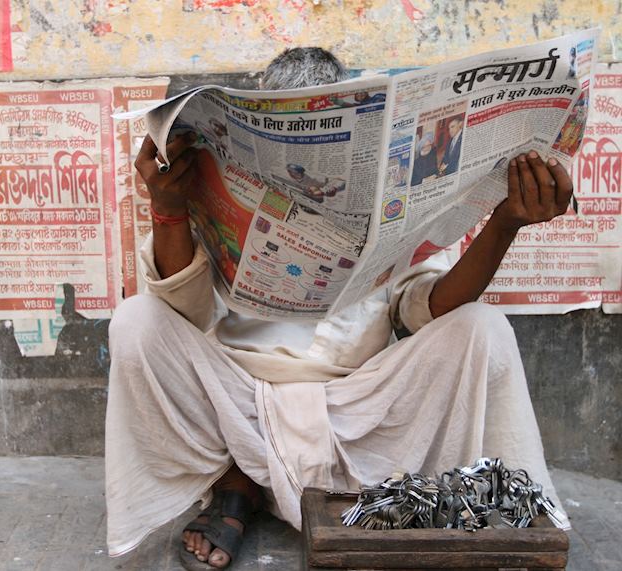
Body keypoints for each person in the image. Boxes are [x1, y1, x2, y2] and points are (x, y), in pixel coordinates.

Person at [106, 47, 574, 570]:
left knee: (483, 328)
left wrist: (504, 222)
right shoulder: (207, 175)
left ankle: (498, 510)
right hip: (236, 401)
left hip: (362, 404)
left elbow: (424, 312)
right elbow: (182, 310)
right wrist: (167, 210)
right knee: (135, 322)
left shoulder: (394, 183)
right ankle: (234, 477)